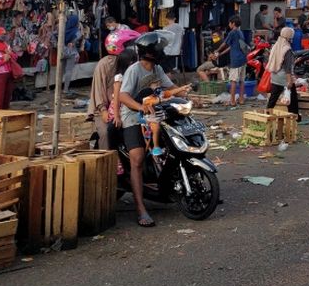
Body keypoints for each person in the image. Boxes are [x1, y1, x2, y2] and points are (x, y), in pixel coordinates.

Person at [116, 31, 191, 226]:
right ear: (150, 52)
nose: (162, 51)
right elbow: (122, 96)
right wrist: (140, 107)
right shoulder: (134, 70)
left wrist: (182, 92)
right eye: (159, 48)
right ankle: (141, 209)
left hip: (153, 115)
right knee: (138, 159)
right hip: (132, 116)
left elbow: (169, 87)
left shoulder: (157, 69)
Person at [90, 29, 137, 150]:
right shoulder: (104, 64)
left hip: (125, 107)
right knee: (106, 133)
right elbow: (98, 91)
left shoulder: (129, 64)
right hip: (104, 109)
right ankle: (107, 164)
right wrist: (103, 110)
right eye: (128, 46)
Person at [208, 16, 248, 106]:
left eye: (230, 23)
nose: (229, 24)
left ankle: (232, 101)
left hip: (236, 60)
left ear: (233, 23)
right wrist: (220, 54)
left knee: (233, 81)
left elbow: (224, 44)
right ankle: (241, 100)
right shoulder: (240, 32)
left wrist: (217, 51)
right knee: (241, 81)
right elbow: (231, 47)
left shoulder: (232, 33)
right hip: (243, 59)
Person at [264, 26, 300, 119]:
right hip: (284, 78)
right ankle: (295, 117)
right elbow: (288, 68)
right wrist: (289, 81)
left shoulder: (275, 46)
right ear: (289, 37)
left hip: (274, 77)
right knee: (292, 99)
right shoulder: (287, 49)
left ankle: (267, 114)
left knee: (273, 98)